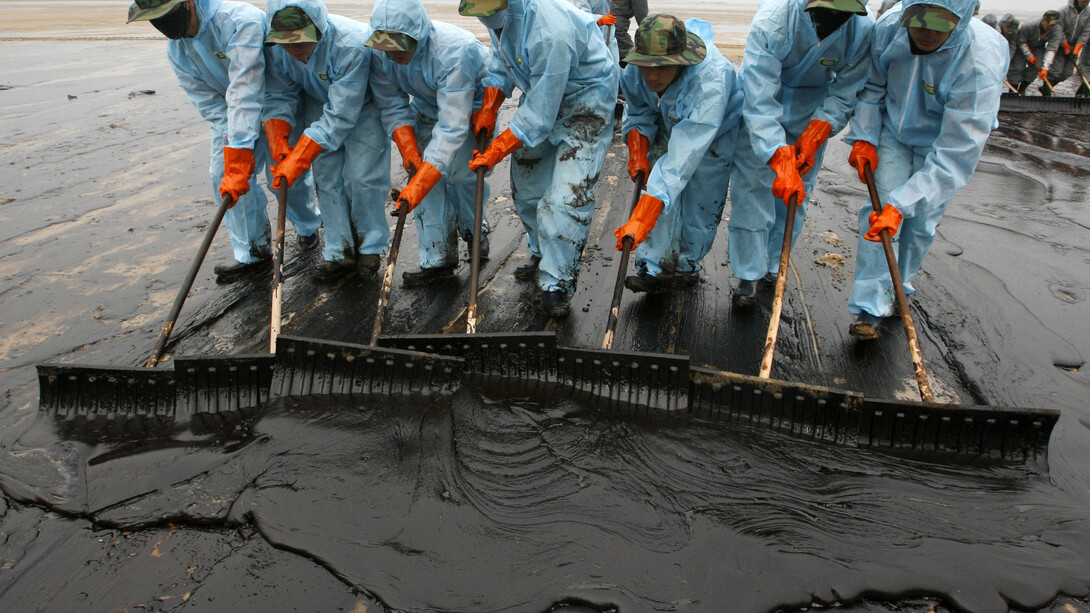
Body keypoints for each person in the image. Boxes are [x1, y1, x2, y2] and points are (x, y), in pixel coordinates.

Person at [844, 0, 1007, 339]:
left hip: (942, 141)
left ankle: (897, 287)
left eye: (939, 24)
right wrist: (864, 135)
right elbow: (872, 86)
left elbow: (955, 155)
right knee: (879, 214)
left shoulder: (978, 65)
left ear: (961, 20)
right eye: (918, 21)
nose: (926, 32)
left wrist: (902, 205)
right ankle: (870, 306)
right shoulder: (890, 26)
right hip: (893, 129)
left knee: (920, 223)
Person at [127, 0, 322, 283]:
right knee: (223, 174)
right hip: (232, 117)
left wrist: (241, 148)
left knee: (283, 174)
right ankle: (252, 251)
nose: (161, 23)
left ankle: (307, 226)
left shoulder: (239, 21)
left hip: (278, 103)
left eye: (165, 14)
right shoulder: (177, 50)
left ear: (187, 3)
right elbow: (207, 101)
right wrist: (233, 141)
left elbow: (246, 86)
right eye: (153, 18)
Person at [461, 0, 619, 318]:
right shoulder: (504, 21)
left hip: (586, 100)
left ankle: (557, 282)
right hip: (540, 93)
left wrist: (495, 150)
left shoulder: (550, 31)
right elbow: (501, 64)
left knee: (567, 196)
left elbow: (539, 116)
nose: (488, 20)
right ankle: (542, 250)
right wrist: (489, 108)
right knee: (528, 184)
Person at [727, 0, 874, 307]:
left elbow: (847, 88)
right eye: (825, 9)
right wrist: (777, 155)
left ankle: (774, 264)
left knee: (796, 192)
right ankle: (748, 273)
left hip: (812, 109)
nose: (831, 18)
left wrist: (821, 126)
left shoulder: (862, 29)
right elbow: (758, 96)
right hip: (765, 104)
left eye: (840, 12)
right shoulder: (774, 21)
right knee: (753, 188)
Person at [612, 15, 742, 294]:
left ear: (682, 62)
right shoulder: (634, 70)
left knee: (701, 198)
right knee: (653, 183)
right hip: (665, 118)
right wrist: (638, 149)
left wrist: (641, 217)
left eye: (662, 67)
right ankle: (653, 267)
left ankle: (686, 264)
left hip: (713, 130)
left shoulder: (711, 80)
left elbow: (682, 159)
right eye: (646, 66)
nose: (652, 76)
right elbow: (639, 111)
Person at [263, 0, 392, 281]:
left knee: (362, 178)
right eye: (286, 41)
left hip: (364, 105)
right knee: (327, 177)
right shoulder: (274, 47)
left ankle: (370, 246)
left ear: (318, 28)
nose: (293, 48)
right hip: (317, 99)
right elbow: (278, 94)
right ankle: (338, 249)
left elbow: (341, 115)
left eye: (301, 40)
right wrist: (279, 140)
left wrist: (300, 157)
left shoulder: (352, 45)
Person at [368, 0, 492, 285]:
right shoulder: (379, 52)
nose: (393, 53)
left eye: (400, 44)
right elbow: (391, 103)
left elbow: (451, 127)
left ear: (419, 34)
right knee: (422, 181)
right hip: (426, 106)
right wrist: (408, 148)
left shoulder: (454, 50)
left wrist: (422, 180)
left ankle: (474, 231)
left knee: (463, 177)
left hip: (472, 106)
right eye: (387, 46)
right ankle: (437, 259)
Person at [1014, 10, 1064, 96]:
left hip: (1038, 47)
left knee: (1037, 67)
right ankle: (1013, 90)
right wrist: (1029, 55)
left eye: (1053, 25)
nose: (1050, 27)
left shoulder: (1057, 30)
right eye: (1048, 24)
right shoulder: (1029, 25)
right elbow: (1021, 41)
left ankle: (1022, 88)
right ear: (1043, 20)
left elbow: (1051, 49)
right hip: (1022, 46)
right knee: (1017, 68)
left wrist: (1045, 68)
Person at [1056, 0, 1090, 97]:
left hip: (1075, 45)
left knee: (1067, 73)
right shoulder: (1063, 11)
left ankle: (1082, 93)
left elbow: (1086, 32)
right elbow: (1058, 30)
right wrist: (1065, 45)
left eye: (1086, 1)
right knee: (1056, 72)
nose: (1084, 2)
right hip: (1059, 44)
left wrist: (1076, 49)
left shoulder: (1088, 13)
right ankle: (1046, 92)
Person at [613, 0, 649, 67]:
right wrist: (646, 32)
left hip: (602, 22)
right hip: (616, 26)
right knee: (631, 59)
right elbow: (641, 12)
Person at [999, 13, 1022, 89]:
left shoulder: (1016, 32)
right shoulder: (997, 29)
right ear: (1004, 26)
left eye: (1012, 32)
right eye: (1008, 31)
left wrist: (1007, 60)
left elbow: (1012, 46)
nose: (1010, 34)